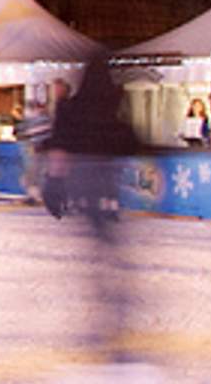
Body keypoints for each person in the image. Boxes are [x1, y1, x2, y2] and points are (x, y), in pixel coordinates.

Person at [46, 54, 140, 359]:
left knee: (100, 249)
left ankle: (107, 312)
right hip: (104, 182)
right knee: (106, 248)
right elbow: (130, 140)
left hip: (84, 183)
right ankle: (113, 311)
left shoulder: (72, 109)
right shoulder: (111, 106)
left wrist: (54, 183)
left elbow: (60, 145)